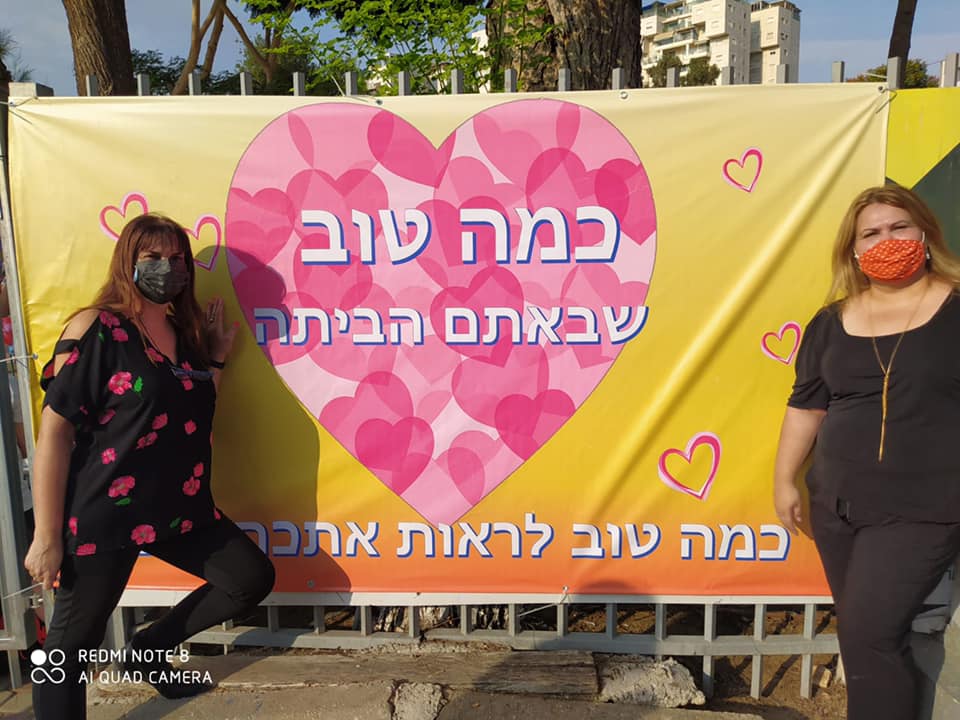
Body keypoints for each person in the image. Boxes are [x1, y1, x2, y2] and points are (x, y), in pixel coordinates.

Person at [23, 213, 276, 719]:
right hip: (105, 512)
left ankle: (148, 649)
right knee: (71, 648)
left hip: (177, 504)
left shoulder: (184, 331)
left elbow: (191, 408)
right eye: (153, 257)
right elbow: (55, 431)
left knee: (249, 578)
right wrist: (47, 536)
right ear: (127, 262)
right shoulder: (97, 328)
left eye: (177, 258)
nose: (168, 267)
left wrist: (216, 360)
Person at [773, 184, 960, 720]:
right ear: (853, 251)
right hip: (837, 507)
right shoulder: (831, 321)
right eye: (871, 233)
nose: (886, 240)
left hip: (923, 510)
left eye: (899, 227)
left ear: (924, 234)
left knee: (869, 633)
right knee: (863, 638)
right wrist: (784, 480)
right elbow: (806, 407)